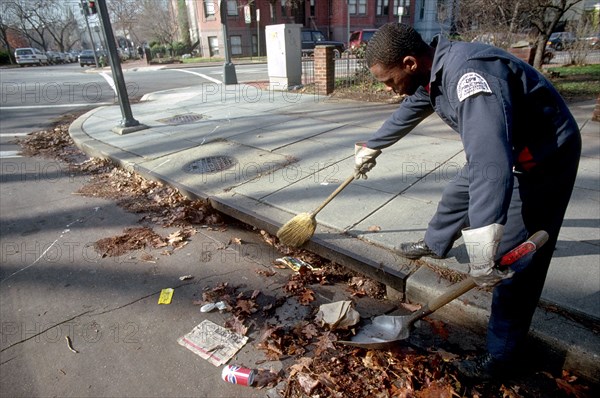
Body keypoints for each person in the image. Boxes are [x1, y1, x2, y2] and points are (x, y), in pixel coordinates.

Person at [354, 23, 581, 380]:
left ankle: (502, 359)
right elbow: (412, 108)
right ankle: (436, 242)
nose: (388, 89)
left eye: (387, 80)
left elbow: (491, 164)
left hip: (541, 160)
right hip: (503, 150)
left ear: (409, 62)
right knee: (456, 196)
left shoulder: (470, 77)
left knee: (513, 268)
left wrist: (483, 244)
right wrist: (373, 145)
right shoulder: (434, 72)